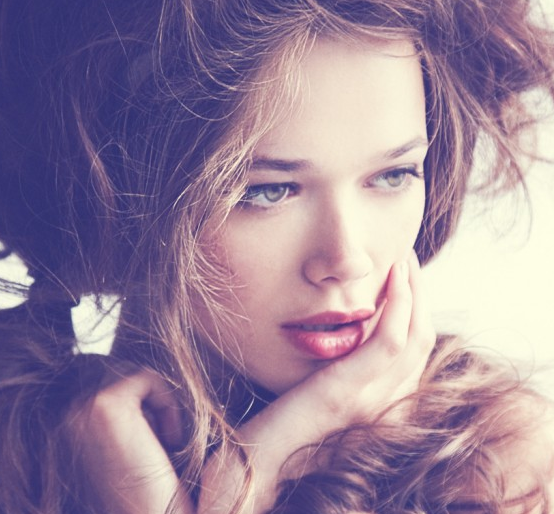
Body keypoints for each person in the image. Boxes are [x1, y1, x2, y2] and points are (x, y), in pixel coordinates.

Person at [0, 0, 553, 513]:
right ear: (126, 200)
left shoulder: (498, 465)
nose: (347, 259)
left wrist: (245, 484)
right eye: (266, 191)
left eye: (392, 175)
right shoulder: (29, 454)